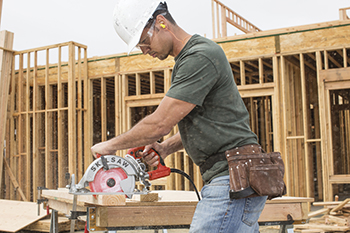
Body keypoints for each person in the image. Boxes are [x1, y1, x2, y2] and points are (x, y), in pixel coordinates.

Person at [91, 0, 267, 232]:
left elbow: (160, 124)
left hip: (232, 178)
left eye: (144, 41)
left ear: (161, 23)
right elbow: (210, 126)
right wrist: (164, 149)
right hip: (232, 175)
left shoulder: (199, 56)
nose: (145, 50)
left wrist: (109, 145)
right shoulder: (188, 60)